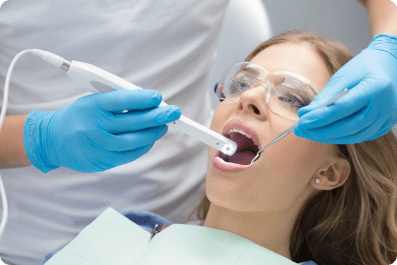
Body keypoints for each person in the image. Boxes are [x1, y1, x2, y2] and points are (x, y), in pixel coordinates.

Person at [0, 0, 397, 264]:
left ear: (330, 172)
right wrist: (39, 138)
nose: (251, 97)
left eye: (292, 98)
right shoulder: (114, 238)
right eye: (241, 83)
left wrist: (391, 42)